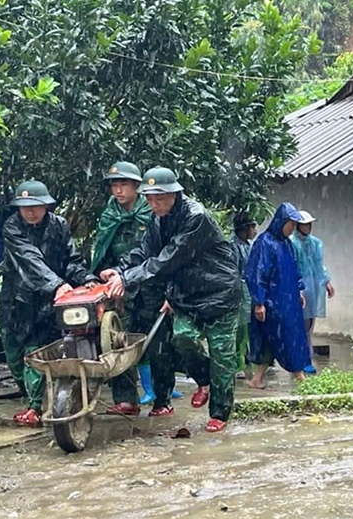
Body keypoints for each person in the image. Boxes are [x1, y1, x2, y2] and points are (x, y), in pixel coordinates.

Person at [101, 167, 241, 433]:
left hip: (219, 292)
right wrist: (120, 271)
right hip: (187, 294)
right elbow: (145, 250)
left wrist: (128, 279)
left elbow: (168, 258)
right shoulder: (157, 220)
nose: (154, 204)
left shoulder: (196, 218)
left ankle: (220, 413)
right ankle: (205, 380)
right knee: (182, 338)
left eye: (160, 198)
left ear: (175, 194)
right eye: (150, 198)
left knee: (222, 354)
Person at [0, 180, 98, 427]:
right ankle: (31, 399)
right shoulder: (12, 228)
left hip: (49, 303)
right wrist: (56, 283)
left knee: (36, 352)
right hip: (16, 302)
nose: (30, 211)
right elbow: (29, 261)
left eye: (35, 206)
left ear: (46, 205)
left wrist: (86, 279)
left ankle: (34, 406)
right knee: (13, 354)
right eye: (24, 207)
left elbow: (71, 260)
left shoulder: (59, 226)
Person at [91, 161, 182, 416]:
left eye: (124, 184)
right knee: (117, 341)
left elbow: (164, 255)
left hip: (153, 287)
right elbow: (102, 249)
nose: (118, 191)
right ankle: (125, 399)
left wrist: (169, 292)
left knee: (160, 346)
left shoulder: (153, 210)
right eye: (114, 185)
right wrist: (108, 278)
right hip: (122, 289)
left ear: (136, 186)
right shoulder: (110, 214)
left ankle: (162, 401)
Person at [246, 203, 311, 388]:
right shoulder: (264, 242)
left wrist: (298, 291)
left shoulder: (286, 243)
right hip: (270, 302)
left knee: (289, 336)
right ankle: (295, 377)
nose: (292, 228)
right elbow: (257, 273)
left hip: (287, 300)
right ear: (281, 222)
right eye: (290, 223)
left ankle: (263, 378)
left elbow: (293, 269)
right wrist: (259, 302)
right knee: (269, 339)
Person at [290, 210, 335, 375]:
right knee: (300, 324)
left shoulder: (315, 243)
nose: (307, 227)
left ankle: (305, 357)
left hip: (314, 285)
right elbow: (292, 266)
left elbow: (319, 264)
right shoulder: (292, 243)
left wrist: (327, 281)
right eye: (304, 224)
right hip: (299, 285)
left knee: (309, 324)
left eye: (309, 224)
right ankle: (301, 358)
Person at [231, 211, 257, 380]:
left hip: (249, 291)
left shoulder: (247, 245)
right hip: (239, 292)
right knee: (239, 331)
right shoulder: (232, 246)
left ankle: (250, 362)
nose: (255, 230)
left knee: (248, 329)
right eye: (252, 226)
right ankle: (236, 365)